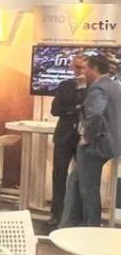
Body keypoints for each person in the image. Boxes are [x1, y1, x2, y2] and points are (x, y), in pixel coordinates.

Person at [62, 52, 121, 227]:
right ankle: (70, 224)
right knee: (75, 180)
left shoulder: (98, 89)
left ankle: (90, 227)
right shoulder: (115, 86)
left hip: (98, 145)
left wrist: (87, 137)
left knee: (88, 189)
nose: (83, 72)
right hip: (113, 143)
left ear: (94, 68)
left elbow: (95, 115)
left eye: (86, 68)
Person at [48, 54, 87, 228]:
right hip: (64, 137)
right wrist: (75, 108)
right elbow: (55, 110)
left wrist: (75, 105)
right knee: (59, 176)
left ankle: (78, 217)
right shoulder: (65, 85)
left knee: (81, 177)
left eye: (82, 67)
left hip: (83, 139)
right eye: (75, 67)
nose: (79, 70)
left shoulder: (94, 87)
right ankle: (56, 214)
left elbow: (90, 110)